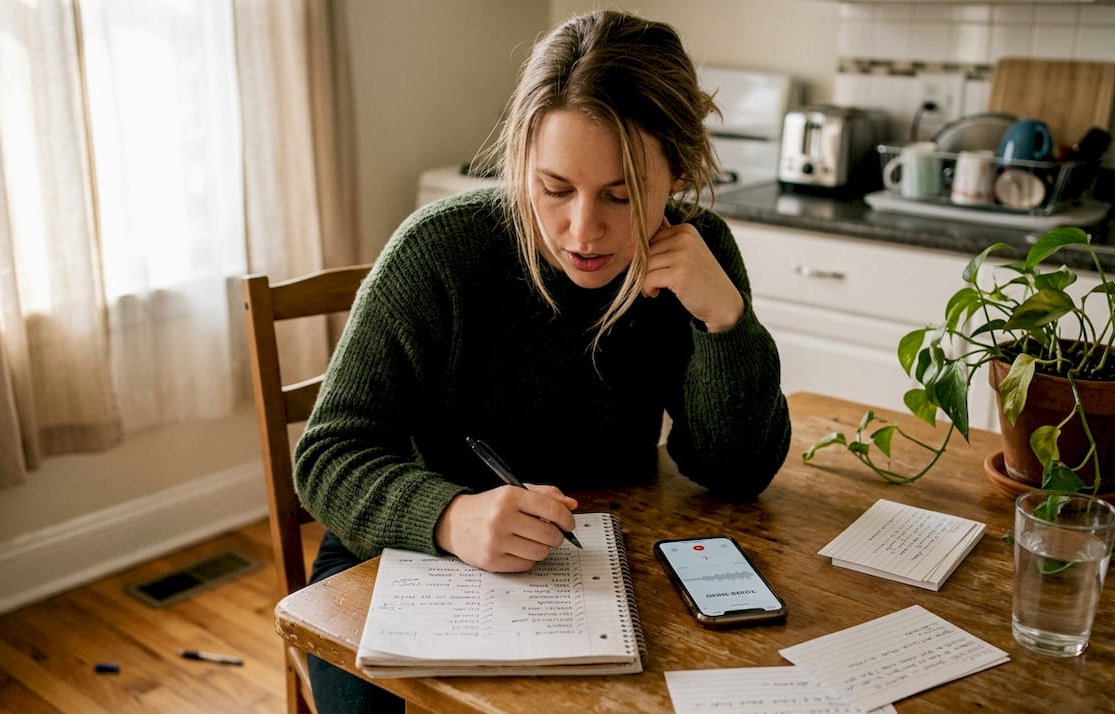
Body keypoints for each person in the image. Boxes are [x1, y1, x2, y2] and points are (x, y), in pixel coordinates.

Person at [294, 9, 792, 712]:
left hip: (597, 568)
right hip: (400, 559)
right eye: (554, 188)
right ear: (522, 158)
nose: (582, 231)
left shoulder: (699, 253)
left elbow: (737, 473)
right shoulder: (439, 253)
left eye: (620, 196)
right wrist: (450, 516)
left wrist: (725, 320)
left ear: (678, 173)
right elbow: (327, 456)